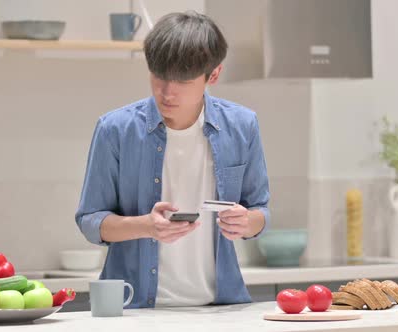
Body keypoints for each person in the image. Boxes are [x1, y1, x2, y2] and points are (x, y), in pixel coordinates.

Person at [75, 11, 270, 308]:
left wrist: (246, 222)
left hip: (222, 310)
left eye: (183, 81)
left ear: (213, 75)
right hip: (134, 309)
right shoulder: (115, 129)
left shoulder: (242, 126)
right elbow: (90, 221)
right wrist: (147, 226)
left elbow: (260, 212)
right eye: (159, 76)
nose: (166, 92)